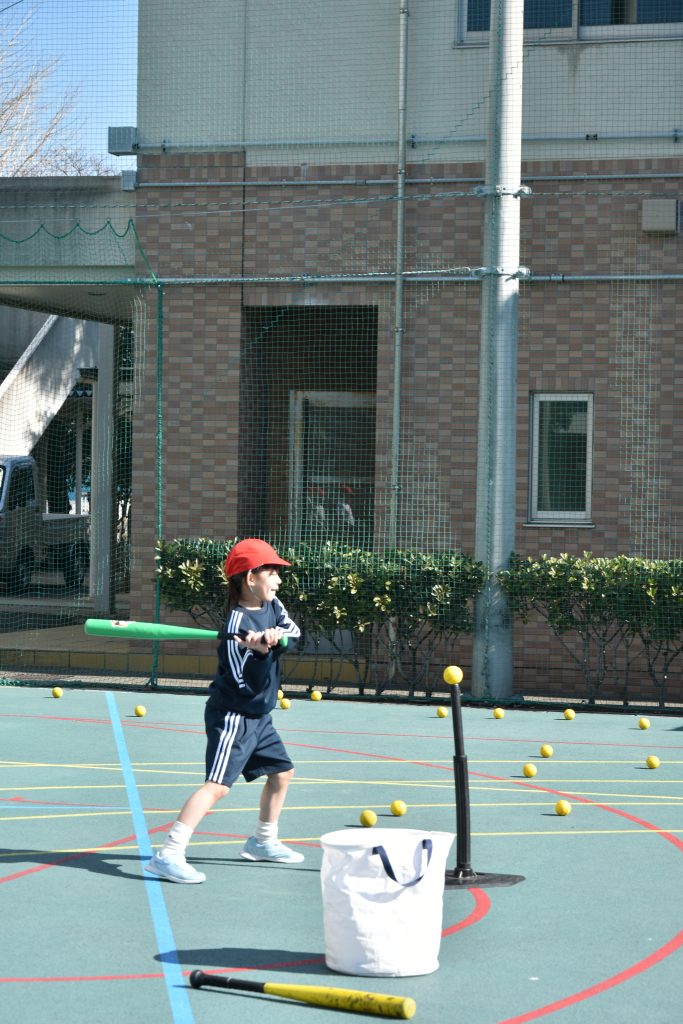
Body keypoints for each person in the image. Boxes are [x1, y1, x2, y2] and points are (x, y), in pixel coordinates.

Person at [146, 538, 303, 883]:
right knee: (217, 786)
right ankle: (168, 854)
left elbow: (293, 631)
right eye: (272, 573)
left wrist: (275, 637)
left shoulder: (272, 604)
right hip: (233, 716)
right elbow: (246, 685)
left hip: (260, 717)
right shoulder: (234, 628)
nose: (278, 580)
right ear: (250, 578)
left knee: (282, 773)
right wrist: (258, 654)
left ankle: (263, 842)